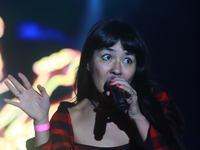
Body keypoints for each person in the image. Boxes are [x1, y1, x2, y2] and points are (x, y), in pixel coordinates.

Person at [4, 19, 185, 150]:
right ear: (89, 64)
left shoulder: (155, 100)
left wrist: (137, 115)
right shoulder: (68, 116)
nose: (117, 69)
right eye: (108, 57)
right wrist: (41, 121)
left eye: (128, 60)